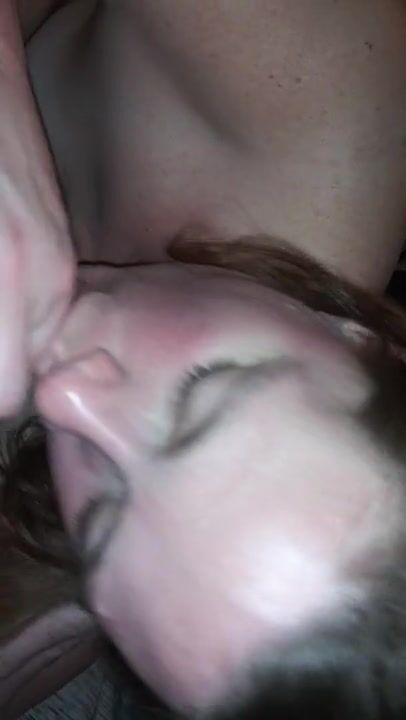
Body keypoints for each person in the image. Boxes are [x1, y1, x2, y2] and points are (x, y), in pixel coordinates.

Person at [0, 0, 406, 718]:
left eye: (101, 523)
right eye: (199, 396)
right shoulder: (313, 93)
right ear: (361, 339)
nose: (66, 399)